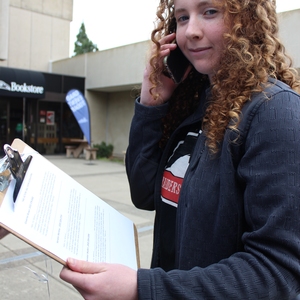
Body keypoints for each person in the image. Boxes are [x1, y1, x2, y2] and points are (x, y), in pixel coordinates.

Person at [59, 0, 300, 299]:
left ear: (247, 20)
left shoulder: (274, 111)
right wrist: (151, 100)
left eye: (209, 11)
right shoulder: (193, 105)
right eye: (182, 17)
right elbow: (145, 192)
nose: (191, 31)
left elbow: (278, 273)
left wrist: (142, 289)